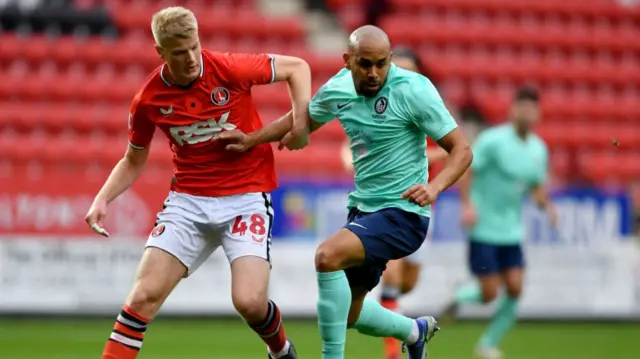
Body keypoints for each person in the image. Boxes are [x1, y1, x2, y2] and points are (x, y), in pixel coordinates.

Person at [216, 25, 473, 359]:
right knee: (348, 314)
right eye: (365, 64)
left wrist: (435, 188)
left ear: (390, 60)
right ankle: (415, 332)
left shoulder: (414, 89)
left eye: (381, 64)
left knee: (326, 256)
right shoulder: (338, 89)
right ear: (347, 60)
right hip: (365, 210)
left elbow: (462, 151)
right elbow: (302, 120)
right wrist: (251, 139)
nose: (373, 73)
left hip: (405, 212)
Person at [83, 6, 311, 359]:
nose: (191, 58)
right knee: (142, 297)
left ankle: (281, 351)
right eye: (179, 52)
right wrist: (103, 199)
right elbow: (133, 159)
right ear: (160, 53)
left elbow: (298, 67)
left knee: (249, 302)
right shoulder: (148, 99)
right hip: (188, 201)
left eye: (194, 46)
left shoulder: (228, 67)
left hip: (246, 196)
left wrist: (299, 120)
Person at [339, 46, 448, 359]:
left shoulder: (425, 106)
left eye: (408, 71)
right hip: (388, 208)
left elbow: (457, 150)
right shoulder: (373, 108)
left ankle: (408, 327)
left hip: (422, 210)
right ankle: (393, 351)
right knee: (391, 277)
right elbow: (351, 146)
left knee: (407, 284)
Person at [441, 86, 557, 359]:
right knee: (489, 293)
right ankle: (460, 296)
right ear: (513, 109)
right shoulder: (493, 141)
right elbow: (467, 169)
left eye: (533, 108)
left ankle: (487, 344)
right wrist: (468, 206)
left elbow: (535, 186)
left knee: (516, 288)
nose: (527, 112)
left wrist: (547, 206)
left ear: (538, 114)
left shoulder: (539, 149)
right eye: (523, 106)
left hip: (512, 230)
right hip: (484, 228)